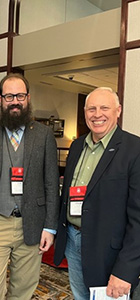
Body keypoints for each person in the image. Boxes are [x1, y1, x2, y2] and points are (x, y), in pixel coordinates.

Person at [0, 73, 60, 300]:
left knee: (23, 291)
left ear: (27, 98)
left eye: (20, 95)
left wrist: (50, 227)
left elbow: (51, 182)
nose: (15, 101)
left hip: (33, 223)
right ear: (1, 100)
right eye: (9, 96)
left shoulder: (44, 135)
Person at [54, 87, 140, 299]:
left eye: (104, 108)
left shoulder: (134, 149)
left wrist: (125, 270)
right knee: (81, 296)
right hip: (73, 241)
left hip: (109, 251)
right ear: (85, 112)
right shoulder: (76, 146)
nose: (97, 114)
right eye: (91, 108)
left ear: (118, 110)